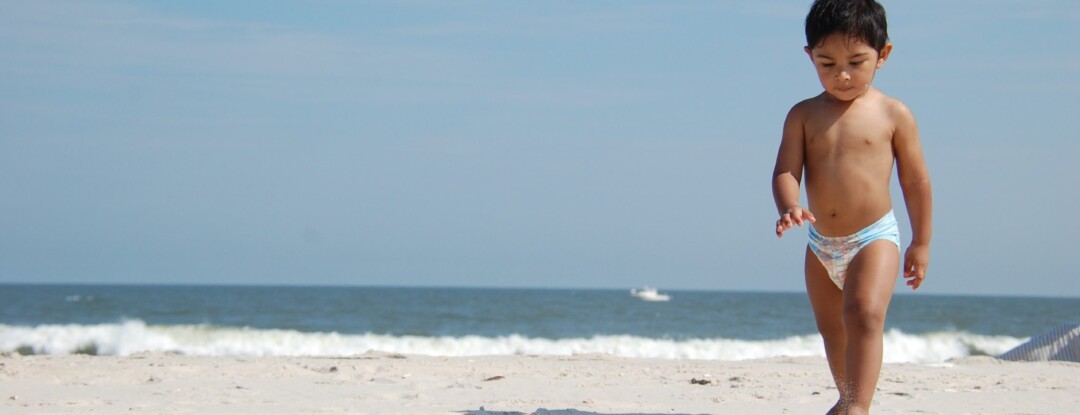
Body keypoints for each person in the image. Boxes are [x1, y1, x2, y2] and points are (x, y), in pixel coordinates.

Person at [771, 0, 933, 414]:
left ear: (883, 54)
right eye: (827, 63)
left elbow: (915, 181)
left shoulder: (893, 114)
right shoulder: (803, 115)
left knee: (863, 315)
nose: (842, 75)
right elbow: (786, 171)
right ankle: (846, 399)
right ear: (809, 56)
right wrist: (789, 205)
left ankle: (858, 407)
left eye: (856, 62)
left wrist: (921, 242)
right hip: (821, 242)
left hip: (873, 236)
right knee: (832, 329)